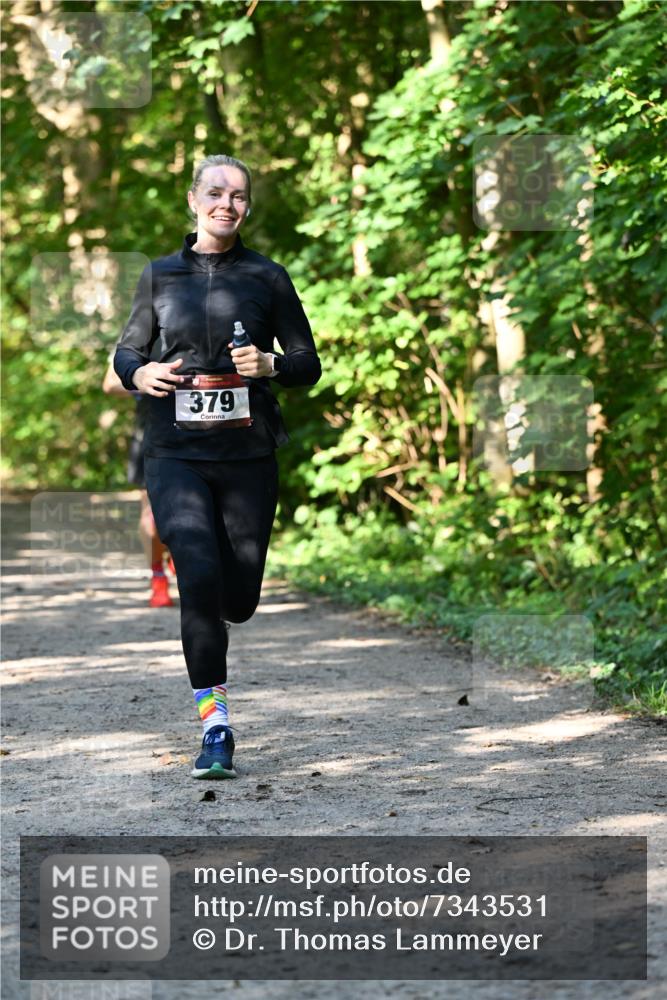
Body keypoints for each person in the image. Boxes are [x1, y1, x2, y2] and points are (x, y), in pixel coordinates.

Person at [113, 154, 321, 779]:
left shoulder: (268, 276)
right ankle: (217, 727)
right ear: (193, 199)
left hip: (248, 455)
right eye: (215, 192)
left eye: (238, 196)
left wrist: (273, 366)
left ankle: (231, 598)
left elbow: (308, 362)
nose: (226, 203)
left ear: (246, 208)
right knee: (197, 572)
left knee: (239, 596)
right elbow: (127, 351)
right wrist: (139, 372)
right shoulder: (159, 275)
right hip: (175, 451)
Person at [102, 359, 175, 608]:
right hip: (151, 430)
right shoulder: (137, 334)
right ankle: (158, 575)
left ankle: (181, 553)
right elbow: (110, 383)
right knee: (153, 513)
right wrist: (144, 381)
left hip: (202, 429)